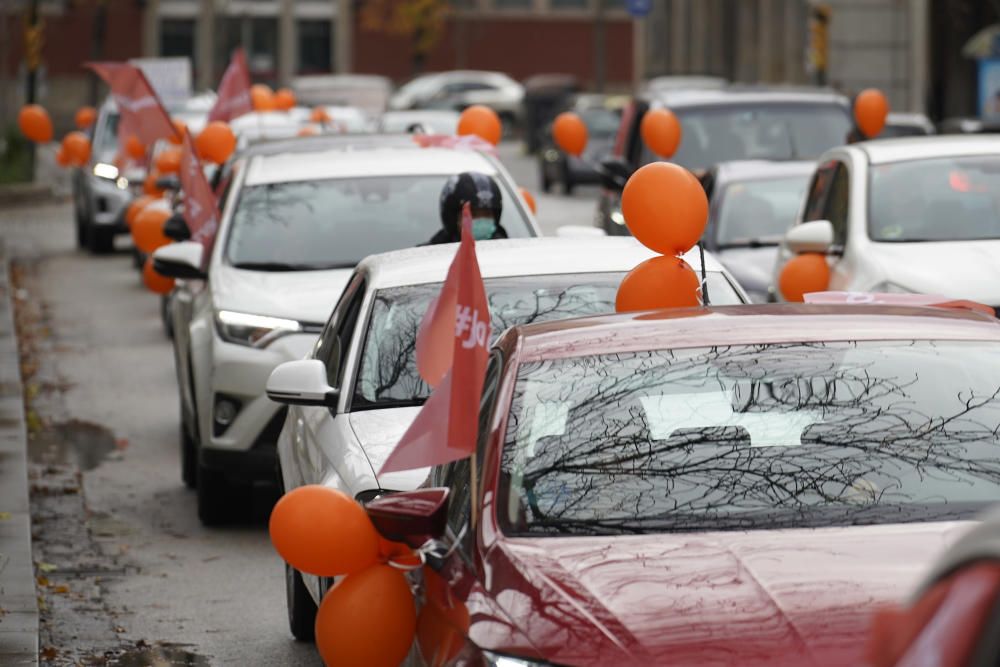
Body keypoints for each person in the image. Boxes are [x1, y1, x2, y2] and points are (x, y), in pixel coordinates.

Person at [427, 171, 507, 245]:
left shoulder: (510, 252)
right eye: (473, 213)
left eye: (487, 213)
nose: (481, 218)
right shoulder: (429, 256)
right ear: (453, 218)